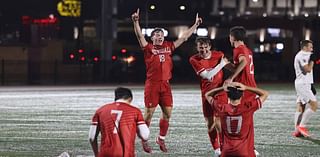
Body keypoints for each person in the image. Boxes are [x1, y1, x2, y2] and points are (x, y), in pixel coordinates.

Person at [131, 8, 202, 153]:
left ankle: (161, 139)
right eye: (156, 35)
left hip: (166, 85)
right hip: (152, 85)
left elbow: (183, 38)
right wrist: (136, 22)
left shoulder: (169, 47)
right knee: (149, 113)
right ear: (152, 38)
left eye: (161, 35)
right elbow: (139, 36)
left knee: (168, 114)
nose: (159, 37)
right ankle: (144, 140)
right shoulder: (148, 48)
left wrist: (195, 26)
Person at [189, 37, 229, 156]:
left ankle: (224, 146)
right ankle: (216, 149)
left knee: (220, 120)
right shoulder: (194, 59)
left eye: (206, 47)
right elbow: (207, 76)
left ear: (210, 46)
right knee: (210, 123)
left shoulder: (219, 54)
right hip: (206, 94)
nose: (204, 49)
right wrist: (221, 65)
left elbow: (229, 66)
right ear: (197, 48)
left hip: (220, 92)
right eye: (201, 47)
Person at [205, 82, 269, 157]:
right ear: (242, 95)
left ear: (227, 96)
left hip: (227, 152)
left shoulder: (221, 108)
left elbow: (207, 95)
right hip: (245, 152)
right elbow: (265, 93)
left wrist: (223, 88)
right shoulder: (248, 107)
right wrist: (246, 87)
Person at [88, 87, 150, 157]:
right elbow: (145, 135)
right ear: (130, 99)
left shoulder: (101, 110)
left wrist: (96, 154)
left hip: (105, 153)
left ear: (116, 98)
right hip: (125, 153)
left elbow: (91, 137)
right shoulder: (135, 111)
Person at [292, 40, 318, 137]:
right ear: (305, 47)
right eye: (310, 47)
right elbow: (307, 69)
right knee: (314, 105)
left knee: (301, 107)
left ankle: (297, 131)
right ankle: (302, 126)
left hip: (305, 83)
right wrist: (312, 61)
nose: (312, 49)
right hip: (303, 84)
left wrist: (315, 60)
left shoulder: (306, 55)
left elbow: (315, 61)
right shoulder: (301, 55)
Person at [226, 26, 257, 100]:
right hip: (249, 86)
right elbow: (240, 69)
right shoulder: (247, 49)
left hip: (243, 87)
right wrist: (226, 64)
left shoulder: (239, 49)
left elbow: (244, 62)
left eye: (230, 37)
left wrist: (231, 77)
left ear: (232, 37)